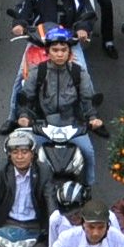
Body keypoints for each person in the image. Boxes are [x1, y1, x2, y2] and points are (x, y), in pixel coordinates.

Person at [13, 30, 105, 171]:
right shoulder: (38, 72)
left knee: (88, 153)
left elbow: (88, 101)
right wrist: (24, 116)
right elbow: (26, 99)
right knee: (26, 158)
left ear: (69, 52)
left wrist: (93, 118)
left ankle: (87, 186)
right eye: (55, 50)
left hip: (72, 126)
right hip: (43, 126)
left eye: (64, 50)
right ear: (48, 52)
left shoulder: (79, 73)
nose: (60, 54)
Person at [0, 130, 56, 235]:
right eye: (15, 152)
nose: (19, 157)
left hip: (35, 226)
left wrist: (55, 221)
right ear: (9, 155)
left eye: (24, 152)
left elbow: (50, 197)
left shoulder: (44, 170)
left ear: (32, 154)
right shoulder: (0, 168)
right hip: (5, 224)